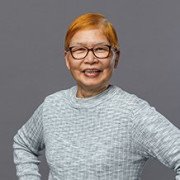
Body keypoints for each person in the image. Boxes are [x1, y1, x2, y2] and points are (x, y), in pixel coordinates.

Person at [13, 13, 180, 180]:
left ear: (116, 58)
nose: (90, 59)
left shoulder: (133, 114)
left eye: (100, 49)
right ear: (67, 59)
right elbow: (23, 144)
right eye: (79, 50)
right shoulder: (52, 106)